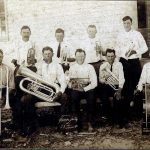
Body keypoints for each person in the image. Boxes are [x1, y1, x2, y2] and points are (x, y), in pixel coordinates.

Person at [114, 16, 148, 119]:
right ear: (123, 24)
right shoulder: (120, 35)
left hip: (134, 62)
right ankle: (126, 112)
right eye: (125, 23)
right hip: (124, 62)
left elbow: (145, 48)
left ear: (131, 23)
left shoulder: (137, 34)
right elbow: (116, 48)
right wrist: (123, 53)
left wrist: (135, 51)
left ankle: (137, 112)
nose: (126, 25)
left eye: (128, 23)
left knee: (136, 85)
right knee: (125, 85)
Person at [68, 49, 97, 132]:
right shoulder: (72, 67)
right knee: (73, 97)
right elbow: (69, 83)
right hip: (76, 89)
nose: (80, 58)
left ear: (85, 56)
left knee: (92, 97)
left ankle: (89, 123)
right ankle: (76, 124)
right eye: (78, 56)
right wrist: (71, 85)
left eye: (82, 56)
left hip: (87, 89)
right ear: (75, 57)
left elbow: (94, 83)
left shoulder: (90, 67)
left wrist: (84, 89)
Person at [36, 46, 68, 115]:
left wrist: (60, 92)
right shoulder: (39, 65)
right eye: (45, 54)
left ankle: (60, 119)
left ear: (52, 54)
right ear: (43, 55)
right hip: (41, 89)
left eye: (49, 53)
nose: (47, 55)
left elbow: (62, 81)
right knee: (26, 99)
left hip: (53, 89)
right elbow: (36, 79)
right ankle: (32, 123)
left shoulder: (57, 66)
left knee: (64, 97)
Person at [99, 49, 126, 128]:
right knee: (104, 97)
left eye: (112, 56)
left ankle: (117, 121)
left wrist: (120, 90)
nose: (110, 58)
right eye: (108, 56)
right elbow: (100, 79)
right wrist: (104, 79)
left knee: (117, 98)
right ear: (106, 57)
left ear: (114, 56)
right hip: (107, 85)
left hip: (117, 85)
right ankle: (109, 119)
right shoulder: (102, 66)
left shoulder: (119, 64)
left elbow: (122, 78)